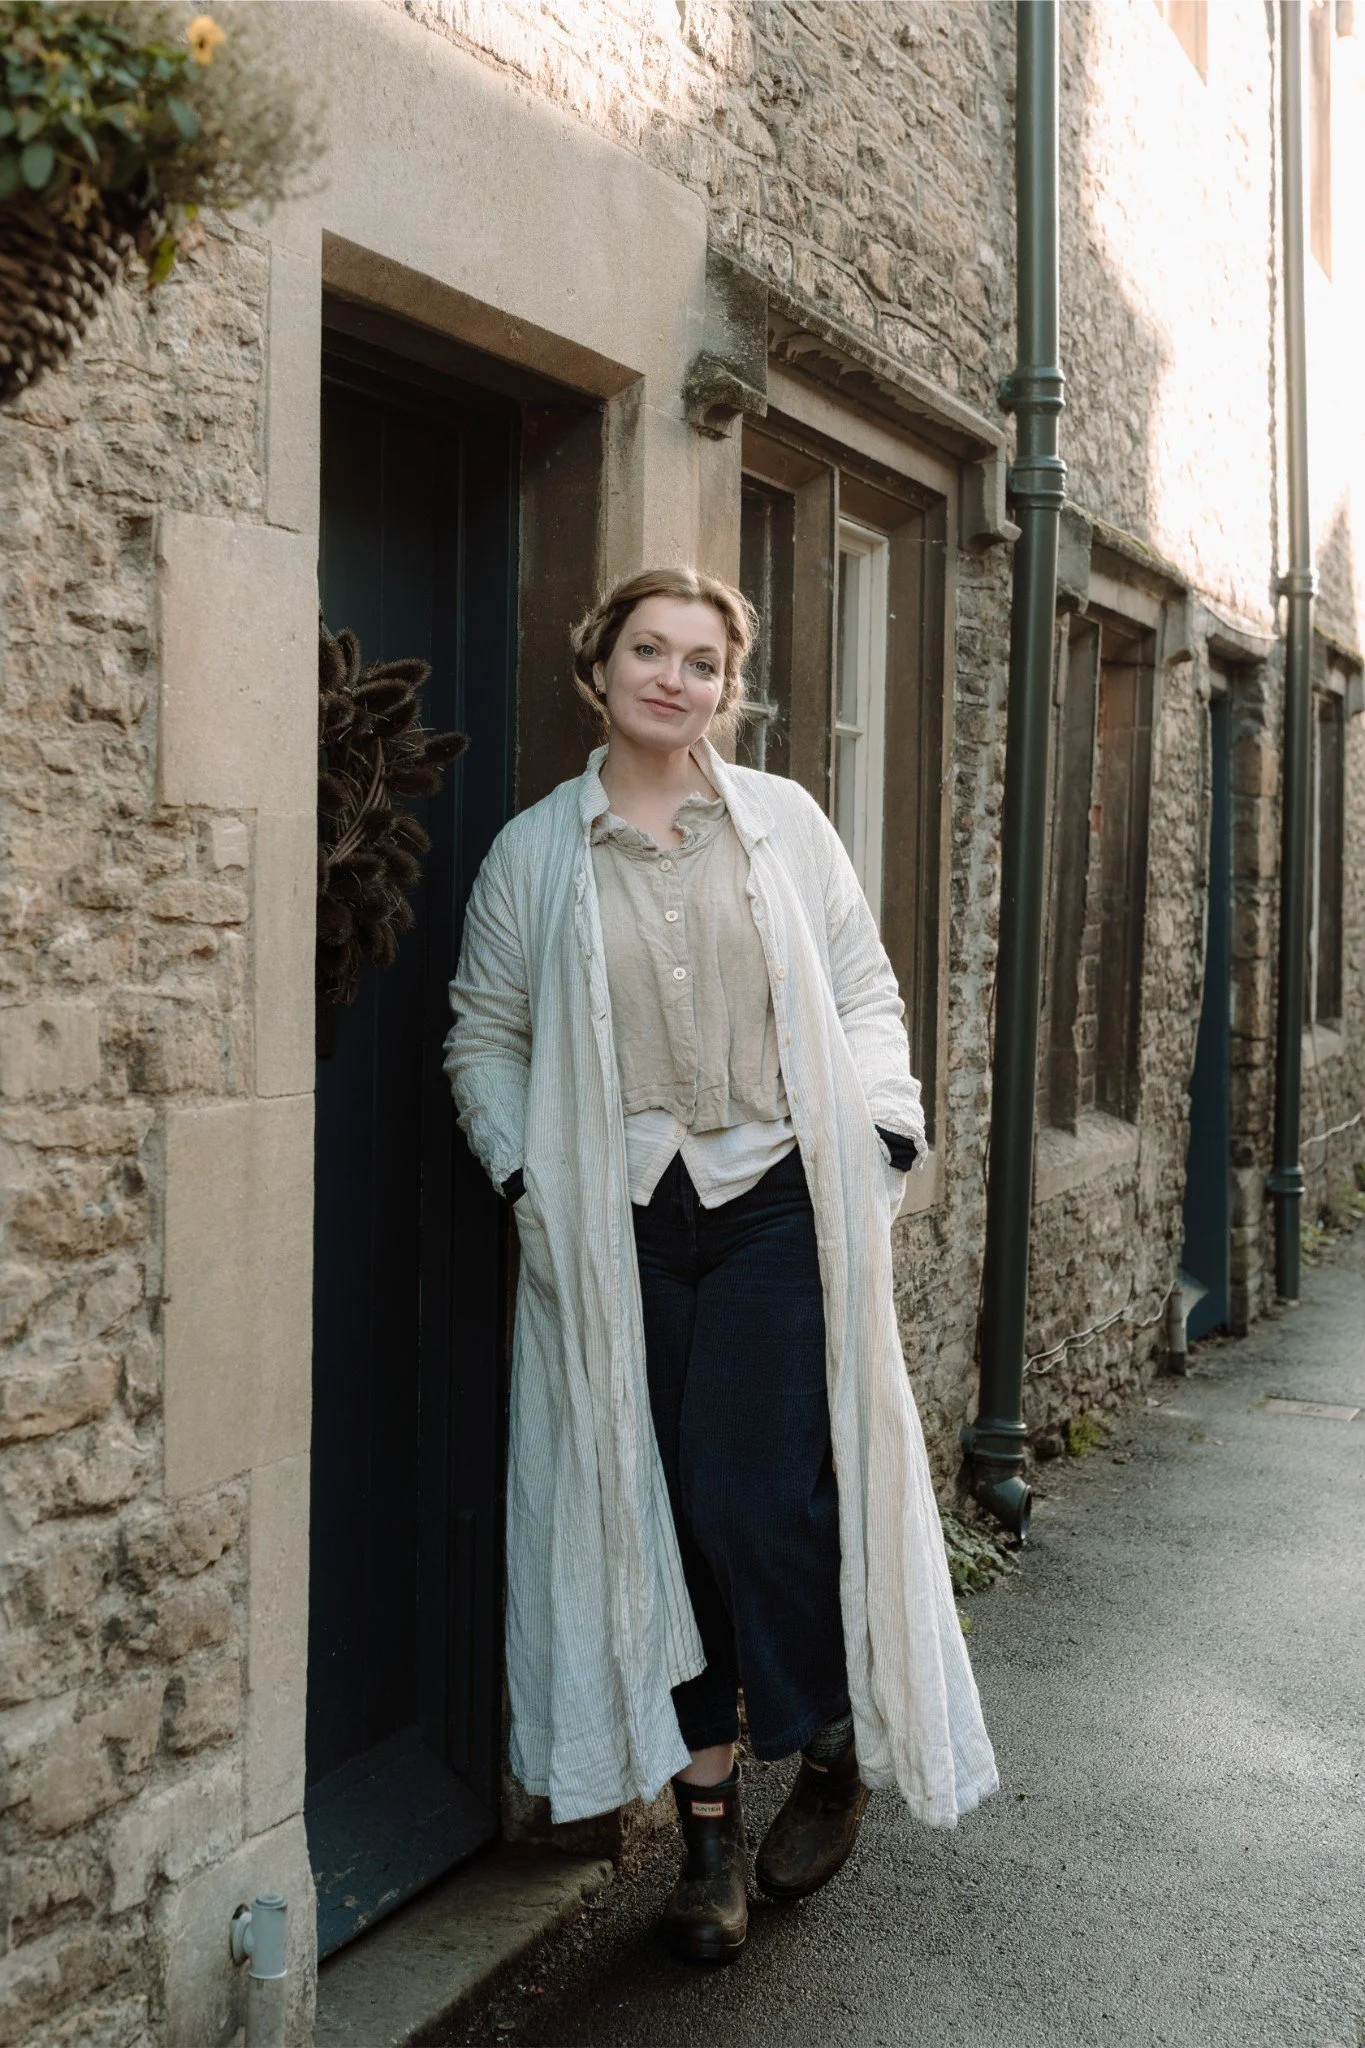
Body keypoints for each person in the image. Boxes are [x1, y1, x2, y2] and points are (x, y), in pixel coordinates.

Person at [445, 566, 997, 1964]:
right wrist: (522, 1171)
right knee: (666, 1511)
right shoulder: (535, 854)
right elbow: (483, 1036)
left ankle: (822, 1743)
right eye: (648, 650)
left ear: (725, 689)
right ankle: (703, 1847)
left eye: (702, 660)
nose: (673, 678)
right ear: (599, 667)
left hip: (769, 1198)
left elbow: (865, 991)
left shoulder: (785, 833)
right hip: (619, 1211)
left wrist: (881, 1132)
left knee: (758, 1492)